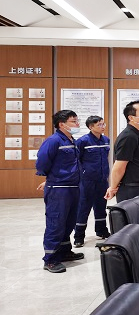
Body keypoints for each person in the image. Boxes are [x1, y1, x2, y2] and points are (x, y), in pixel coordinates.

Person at [35, 110, 85, 273]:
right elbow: (42, 163)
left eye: (77, 121)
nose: (77, 124)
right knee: (56, 223)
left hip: (73, 187)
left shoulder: (71, 140)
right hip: (59, 189)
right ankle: (50, 259)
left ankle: (64, 252)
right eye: (73, 121)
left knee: (69, 222)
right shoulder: (53, 140)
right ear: (62, 124)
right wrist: (52, 178)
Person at [104, 100, 139, 202]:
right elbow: (119, 166)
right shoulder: (129, 136)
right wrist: (113, 188)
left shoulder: (138, 136)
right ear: (131, 118)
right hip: (133, 190)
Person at [73, 116, 111, 247]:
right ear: (91, 127)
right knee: (84, 207)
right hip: (87, 180)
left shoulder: (106, 140)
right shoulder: (83, 141)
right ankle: (79, 236)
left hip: (102, 179)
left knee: (101, 206)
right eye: (99, 125)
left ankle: (101, 231)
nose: (102, 126)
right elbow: (76, 160)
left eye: (103, 124)